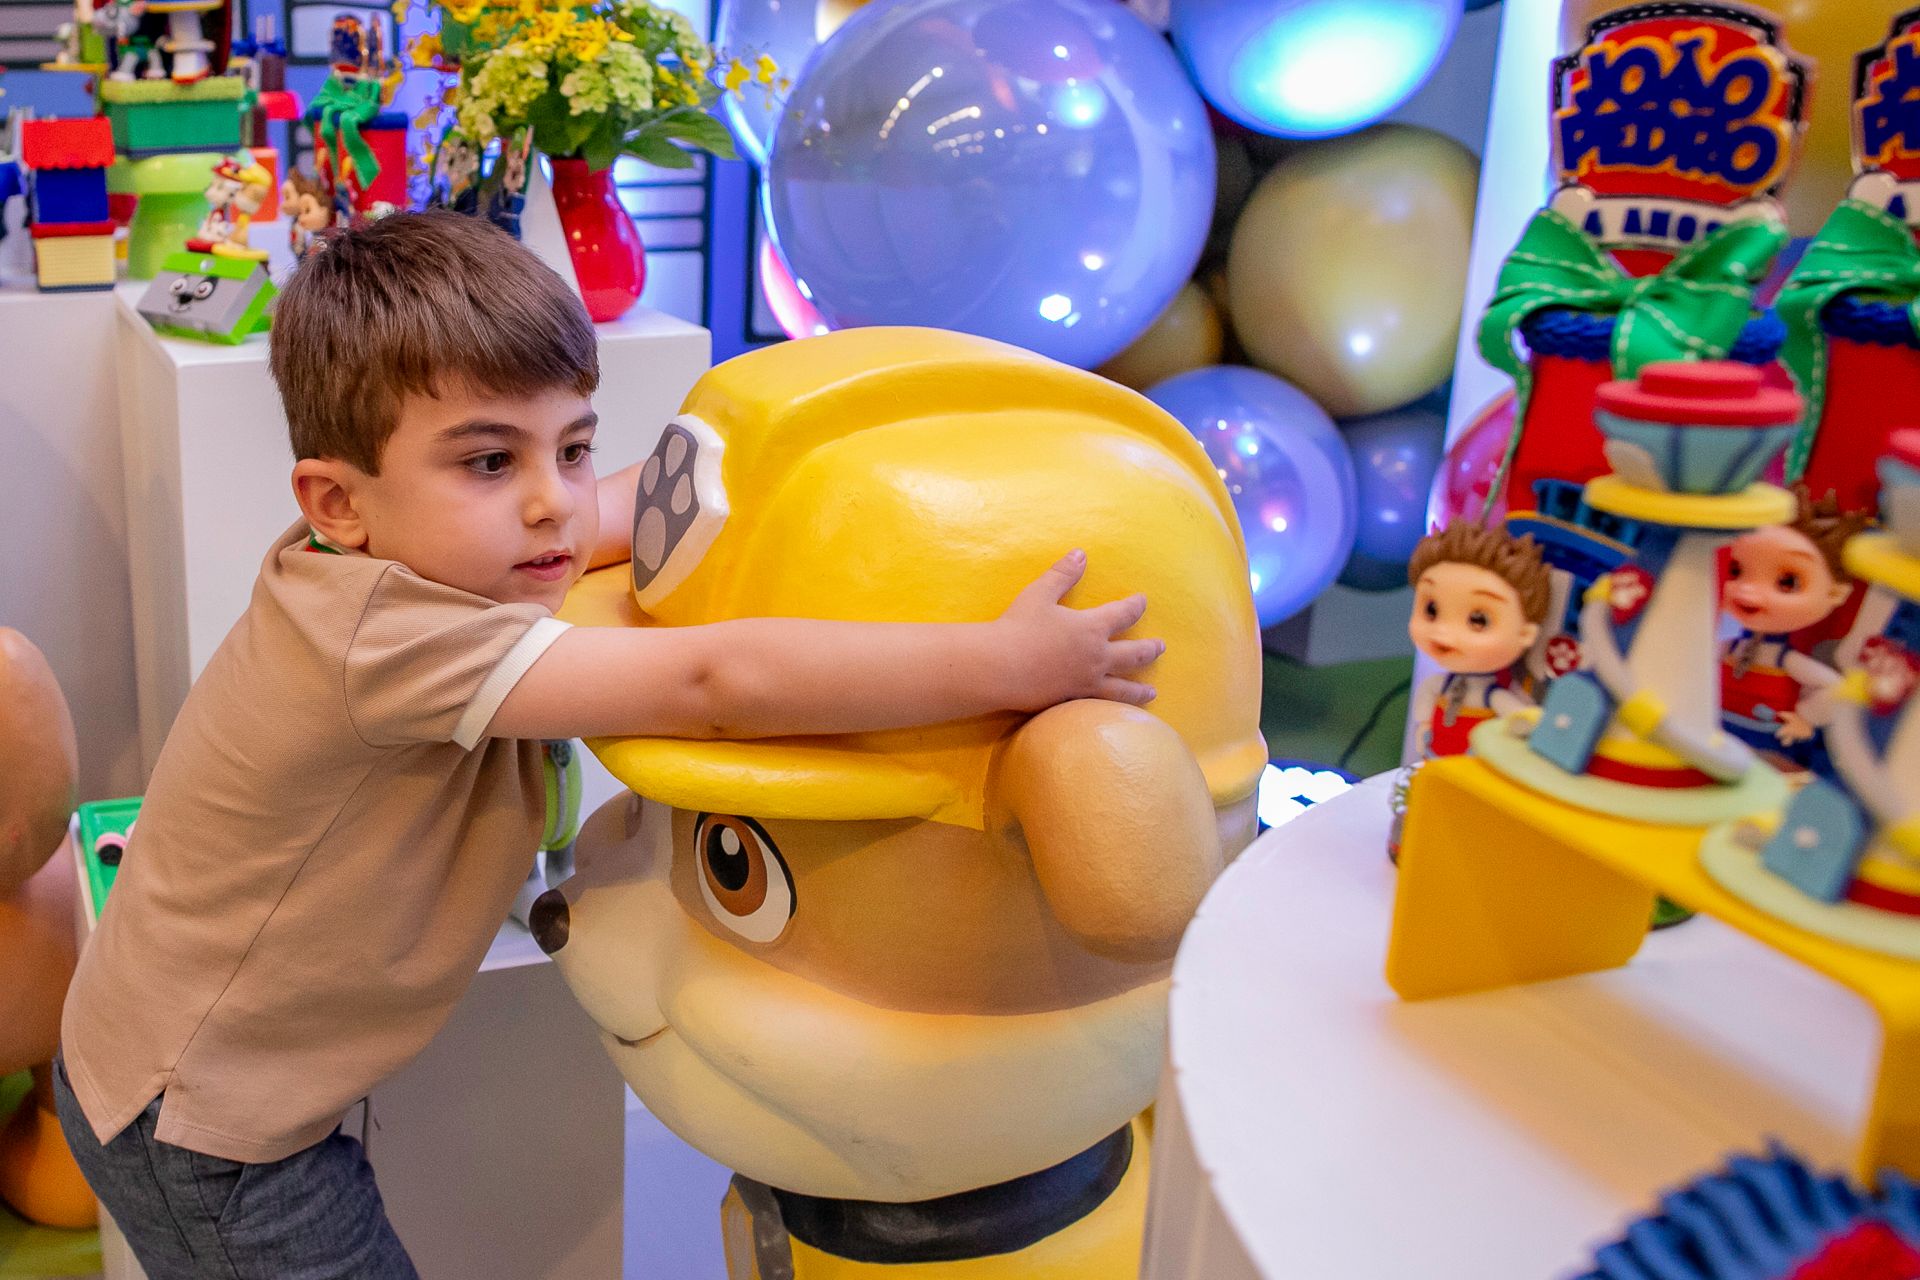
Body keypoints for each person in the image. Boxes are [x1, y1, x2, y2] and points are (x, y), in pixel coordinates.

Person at [53, 211, 1163, 1280]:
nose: (553, 505)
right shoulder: (380, 638)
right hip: (198, 1121)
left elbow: (650, 503)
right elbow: (715, 682)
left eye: (573, 446)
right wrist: (1002, 663)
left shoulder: (415, 551)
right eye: (490, 462)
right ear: (336, 502)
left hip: (204, 1070)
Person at [1719, 487, 1870, 771]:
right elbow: (1704, 659)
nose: (1747, 591)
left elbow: (1836, 688)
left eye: (1787, 582)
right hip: (1716, 731)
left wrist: (1807, 718)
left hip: (1765, 746)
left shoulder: (1784, 659)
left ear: (1835, 594)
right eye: (1737, 570)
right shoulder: (1731, 639)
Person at [1406, 520, 1551, 760]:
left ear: (1525, 634)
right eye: (1431, 610)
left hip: (1474, 769)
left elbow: (1521, 719)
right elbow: (1425, 703)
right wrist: (1424, 725)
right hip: (1435, 759)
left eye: (1478, 620)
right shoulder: (1440, 684)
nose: (1443, 632)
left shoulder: (1494, 695)